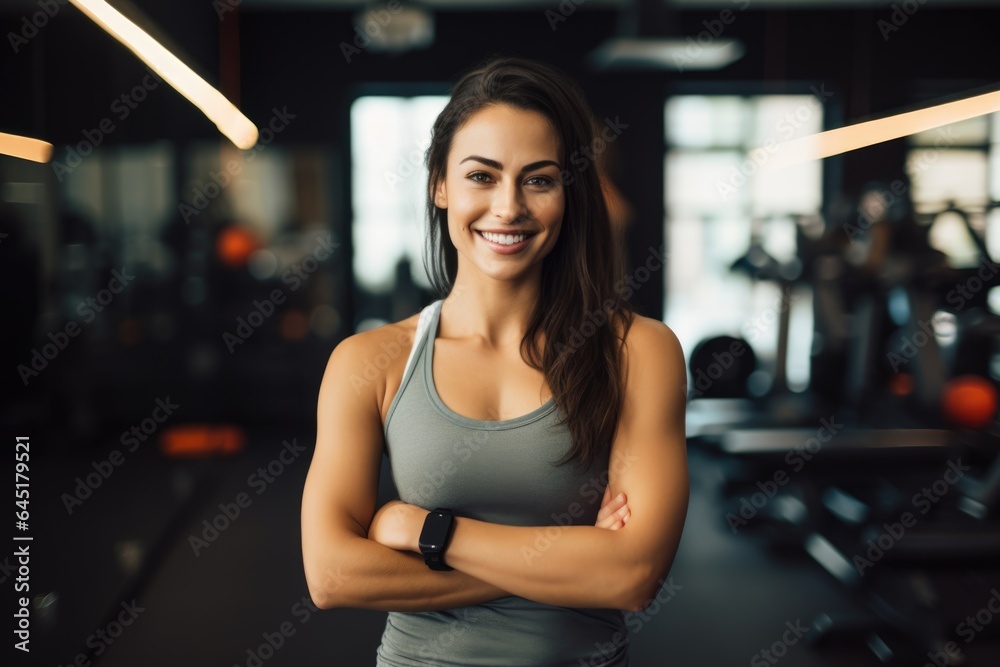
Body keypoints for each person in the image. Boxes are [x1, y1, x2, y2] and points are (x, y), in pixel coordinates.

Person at [300, 54, 689, 666]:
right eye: (481, 176)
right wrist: (571, 561)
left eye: (539, 179)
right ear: (439, 184)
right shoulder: (370, 362)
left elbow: (633, 576)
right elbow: (331, 574)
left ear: (569, 192)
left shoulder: (638, 352)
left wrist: (427, 533)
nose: (509, 207)